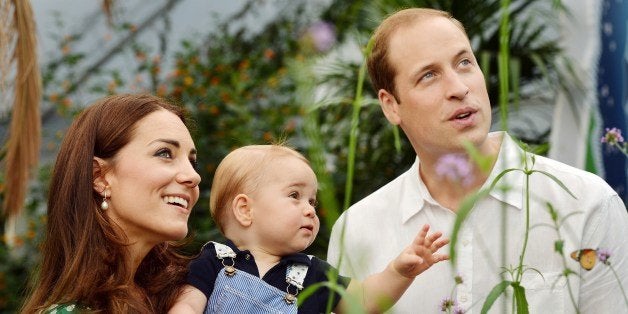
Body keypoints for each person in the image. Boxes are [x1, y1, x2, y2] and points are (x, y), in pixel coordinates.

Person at [327, 7, 628, 314]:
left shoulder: (587, 203)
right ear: (391, 106)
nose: (459, 88)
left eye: (464, 63)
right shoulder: (357, 230)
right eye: (429, 75)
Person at [168, 144, 449, 313]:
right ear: (245, 209)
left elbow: (363, 302)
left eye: (312, 201)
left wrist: (399, 272)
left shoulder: (313, 274)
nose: (310, 209)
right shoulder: (215, 261)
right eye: (294, 196)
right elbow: (187, 306)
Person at [20, 94, 202, 313]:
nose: (193, 176)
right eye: (165, 153)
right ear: (99, 176)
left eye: (192, 162)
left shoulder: (196, 293)